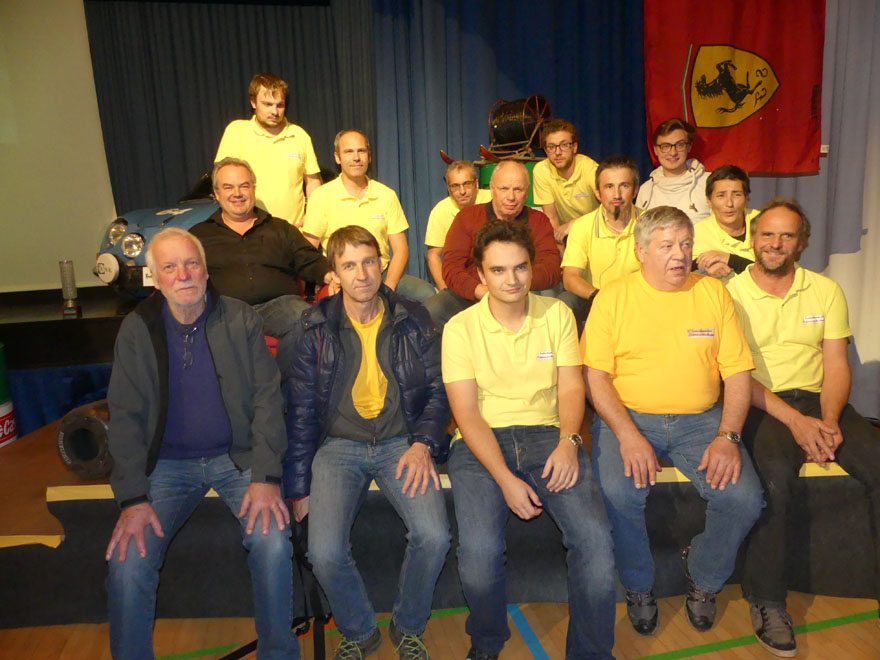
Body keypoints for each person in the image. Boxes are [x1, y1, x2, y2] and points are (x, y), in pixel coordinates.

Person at [104, 228, 297, 659]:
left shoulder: (241, 319)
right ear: (155, 279)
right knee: (128, 561)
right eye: (170, 267)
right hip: (166, 466)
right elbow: (125, 417)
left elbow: (268, 400)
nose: (184, 274)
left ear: (207, 271)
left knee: (272, 542)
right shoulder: (137, 330)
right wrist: (132, 498)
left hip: (238, 459)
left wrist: (266, 477)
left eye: (191, 264)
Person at [584, 206, 763, 636]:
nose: (680, 255)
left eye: (685, 244)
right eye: (667, 246)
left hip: (701, 420)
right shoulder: (612, 297)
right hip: (628, 416)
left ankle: (704, 577)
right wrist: (627, 435)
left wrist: (728, 436)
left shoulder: (713, 294)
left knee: (744, 499)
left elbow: (738, 374)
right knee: (618, 493)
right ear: (641, 250)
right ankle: (638, 586)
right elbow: (595, 378)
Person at [443, 220, 616, 659]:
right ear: (480, 275)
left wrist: (569, 442)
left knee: (595, 541)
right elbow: (466, 414)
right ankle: (487, 640)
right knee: (479, 554)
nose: (512, 280)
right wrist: (505, 479)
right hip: (481, 443)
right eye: (498, 270)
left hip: (549, 436)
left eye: (520, 267)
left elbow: (572, 388)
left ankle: (591, 654)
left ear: (532, 267)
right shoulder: (459, 328)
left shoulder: (556, 314)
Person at [284, 225, 451, 660]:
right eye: (349, 265)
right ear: (335, 274)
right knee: (323, 552)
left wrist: (423, 444)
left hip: (401, 443)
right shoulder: (313, 327)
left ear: (382, 264)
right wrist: (299, 487)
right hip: (338, 447)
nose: (362, 274)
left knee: (434, 536)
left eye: (369, 262)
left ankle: (408, 625)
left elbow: (438, 390)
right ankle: (359, 632)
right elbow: (300, 411)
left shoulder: (414, 318)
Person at [727, 199, 880, 657]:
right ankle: (768, 601)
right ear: (753, 240)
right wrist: (796, 422)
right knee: (774, 480)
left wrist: (828, 422)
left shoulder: (825, 290)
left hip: (819, 400)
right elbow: (735, 374)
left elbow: (836, 365)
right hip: (761, 403)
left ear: (801, 243)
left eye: (787, 235)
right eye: (767, 234)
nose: (775, 244)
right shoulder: (729, 294)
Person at [191, 157, 333, 372]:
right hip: (226, 310)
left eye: (244, 186)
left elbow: (308, 258)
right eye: (228, 187)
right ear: (217, 193)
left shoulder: (280, 228)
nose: (237, 193)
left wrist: (330, 275)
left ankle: (281, 386)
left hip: (279, 305)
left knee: (307, 319)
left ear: (253, 189)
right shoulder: (199, 235)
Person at [424, 160, 561, 328]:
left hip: (524, 294)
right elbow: (452, 268)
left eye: (518, 189)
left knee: (551, 303)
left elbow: (551, 268)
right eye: (504, 189)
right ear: (492, 189)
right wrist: (482, 291)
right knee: (432, 310)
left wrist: (517, 286)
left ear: (527, 192)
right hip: (476, 295)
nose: (511, 197)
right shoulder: (467, 217)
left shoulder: (539, 221)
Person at [303, 129, 435, 303]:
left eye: (361, 151)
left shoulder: (386, 195)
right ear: (337, 157)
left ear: (369, 156)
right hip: (343, 277)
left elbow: (401, 250)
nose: (356, 157)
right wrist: (331, 276)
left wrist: (388, 287)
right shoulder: (321, 196)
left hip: (381, 274)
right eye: (349, 152)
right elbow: (308, 251)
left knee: (426, 293)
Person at [215, 73, 321, 225]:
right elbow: (221, 181)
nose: (274, 112)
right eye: (267, 104)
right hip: (249, 230)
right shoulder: (236, 132)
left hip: (293, 230)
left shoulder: (299, 135)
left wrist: (312, 217)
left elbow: (312, 182)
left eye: (280, 105)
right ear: (253, 102)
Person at [560, 155, 642, 322]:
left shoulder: (651, 224)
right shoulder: (582, 226)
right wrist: (599, 297)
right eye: (609, 187)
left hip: (639, 301)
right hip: (595, 298)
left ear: (635, 190)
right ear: (597, 193)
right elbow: (570, 278)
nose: (617, 194)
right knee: (565, 302)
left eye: (624, 186)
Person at [424, 160, 491, 290]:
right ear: (448, 189)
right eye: (455, 186)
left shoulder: (493, 199)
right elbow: (433, 256)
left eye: (467, 184)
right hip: (459, 279)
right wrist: (445, 289)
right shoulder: (440, 211)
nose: (462, 191)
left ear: (476, 184)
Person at [532, 118, 600, 243]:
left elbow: (610, 208)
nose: (557, 152)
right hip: (566, 237)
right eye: (551, 147)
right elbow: (552, 220)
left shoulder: (590, 169)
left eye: (564, 145)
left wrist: (574, 224)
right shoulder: (541, 170)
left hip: (596, 232)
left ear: (574, 147)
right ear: (546, 151)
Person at [636, 118, 711, 223]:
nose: (673, 153)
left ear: (689, 147)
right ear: (655, 150)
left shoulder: (709, 183)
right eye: (665, 146)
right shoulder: (646, 190)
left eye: (679, 145)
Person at [693, 165, 759, 281]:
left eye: (737, 194)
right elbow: (683, 274)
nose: (729, 203)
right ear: (709, 201)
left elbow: (774, 273)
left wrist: (729, 259)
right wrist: (704, 271)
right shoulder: (697, 233)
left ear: (747, 198)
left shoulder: (764, 223)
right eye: (721, 195)